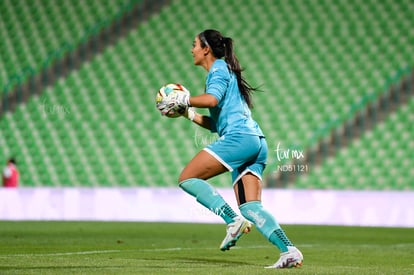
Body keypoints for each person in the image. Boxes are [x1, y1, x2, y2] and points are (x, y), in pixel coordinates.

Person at [157, 29, 303, 268]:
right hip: (255, 141)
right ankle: (289, 250)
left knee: (187, 178)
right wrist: (189, 113)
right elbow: (218, 124)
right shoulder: (225, 71)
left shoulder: (218, 69)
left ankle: (230, 220)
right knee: (251, 206)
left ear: (206, 49)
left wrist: (184, 99)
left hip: (240, 139)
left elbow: (211, 100)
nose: (191, 49)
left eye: (194, 44)